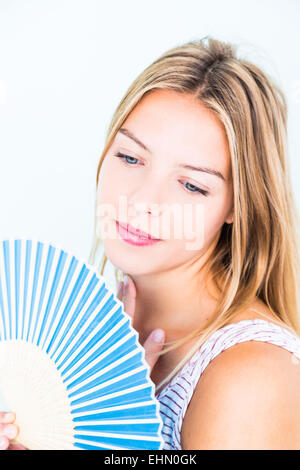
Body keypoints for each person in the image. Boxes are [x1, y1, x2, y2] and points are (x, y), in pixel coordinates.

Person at [2, 36, 300, 450]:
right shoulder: (91, 331)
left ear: (238, 205)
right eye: (130, 158)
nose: (141, 202)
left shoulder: (250, 378)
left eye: (191, 185)